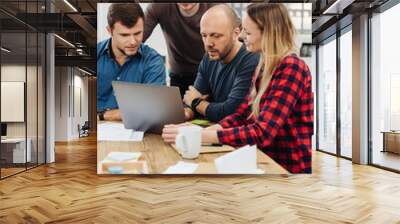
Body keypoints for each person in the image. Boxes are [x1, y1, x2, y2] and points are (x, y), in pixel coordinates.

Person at [162, 3, 314, 173]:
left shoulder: (291, 67)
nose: (241, 36)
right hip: (264, 163)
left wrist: (201, 136)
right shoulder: (263, 68)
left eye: (248, 32)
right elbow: (243, 115)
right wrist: (204, 130)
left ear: (268, 33)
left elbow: (262, 132)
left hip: (287, 170)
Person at [182, 4, 259, 123]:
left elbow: (231, 112)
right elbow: (192, 97)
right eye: (204, 35)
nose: (208, 43)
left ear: (236, 33)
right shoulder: (209, 57)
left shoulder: (250, 60)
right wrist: (187, 113)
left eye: (216, 36)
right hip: (214, 129)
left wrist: (196, 103)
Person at [97, 3, 166, 121]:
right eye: (125, 35)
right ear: (110, 30)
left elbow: (154, 109)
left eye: (138, 33)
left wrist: (104, 115)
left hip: (136, 129)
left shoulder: (153, 61)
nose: (133, 41)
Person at [143, 3, 217, 98]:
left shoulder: (216, 7)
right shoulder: (159, 6)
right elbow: (134, 37)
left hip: (211, 75)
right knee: (177, 112)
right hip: (179, 76)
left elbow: (235, 40)